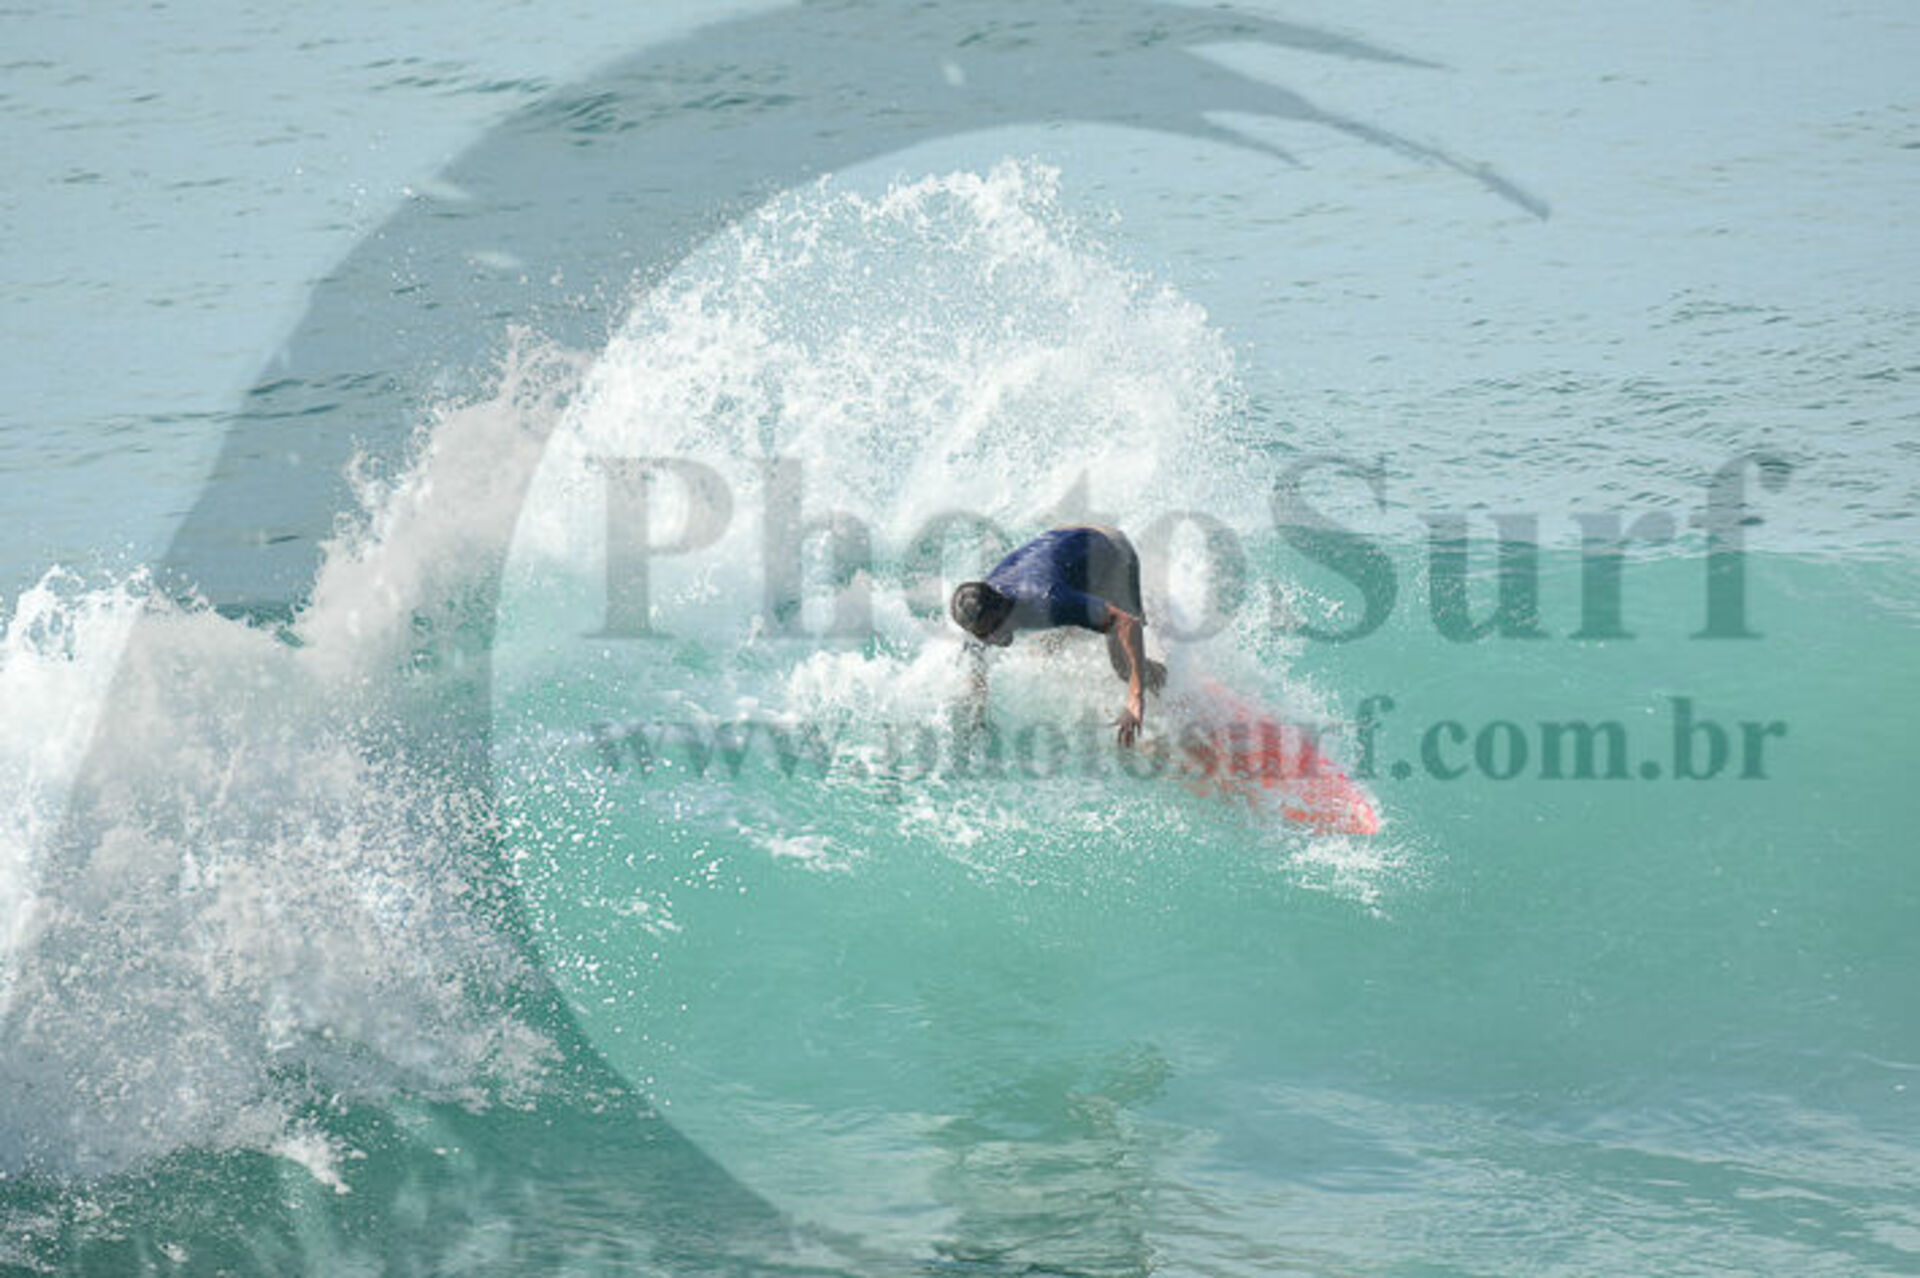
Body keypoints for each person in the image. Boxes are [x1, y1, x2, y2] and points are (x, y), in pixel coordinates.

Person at [949, 525, 1167, 746]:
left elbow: (1126, 623)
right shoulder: (979, 615)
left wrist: (1135, 698)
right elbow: (976, 678)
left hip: (1112, 553)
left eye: (994, 628)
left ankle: (1173, 695)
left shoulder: (1044, 599)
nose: (992, 639)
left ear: (1002, 607)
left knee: (1123, 666)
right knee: (1046, 649)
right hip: (1066, 543)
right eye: (983, 635)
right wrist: (976, 718)